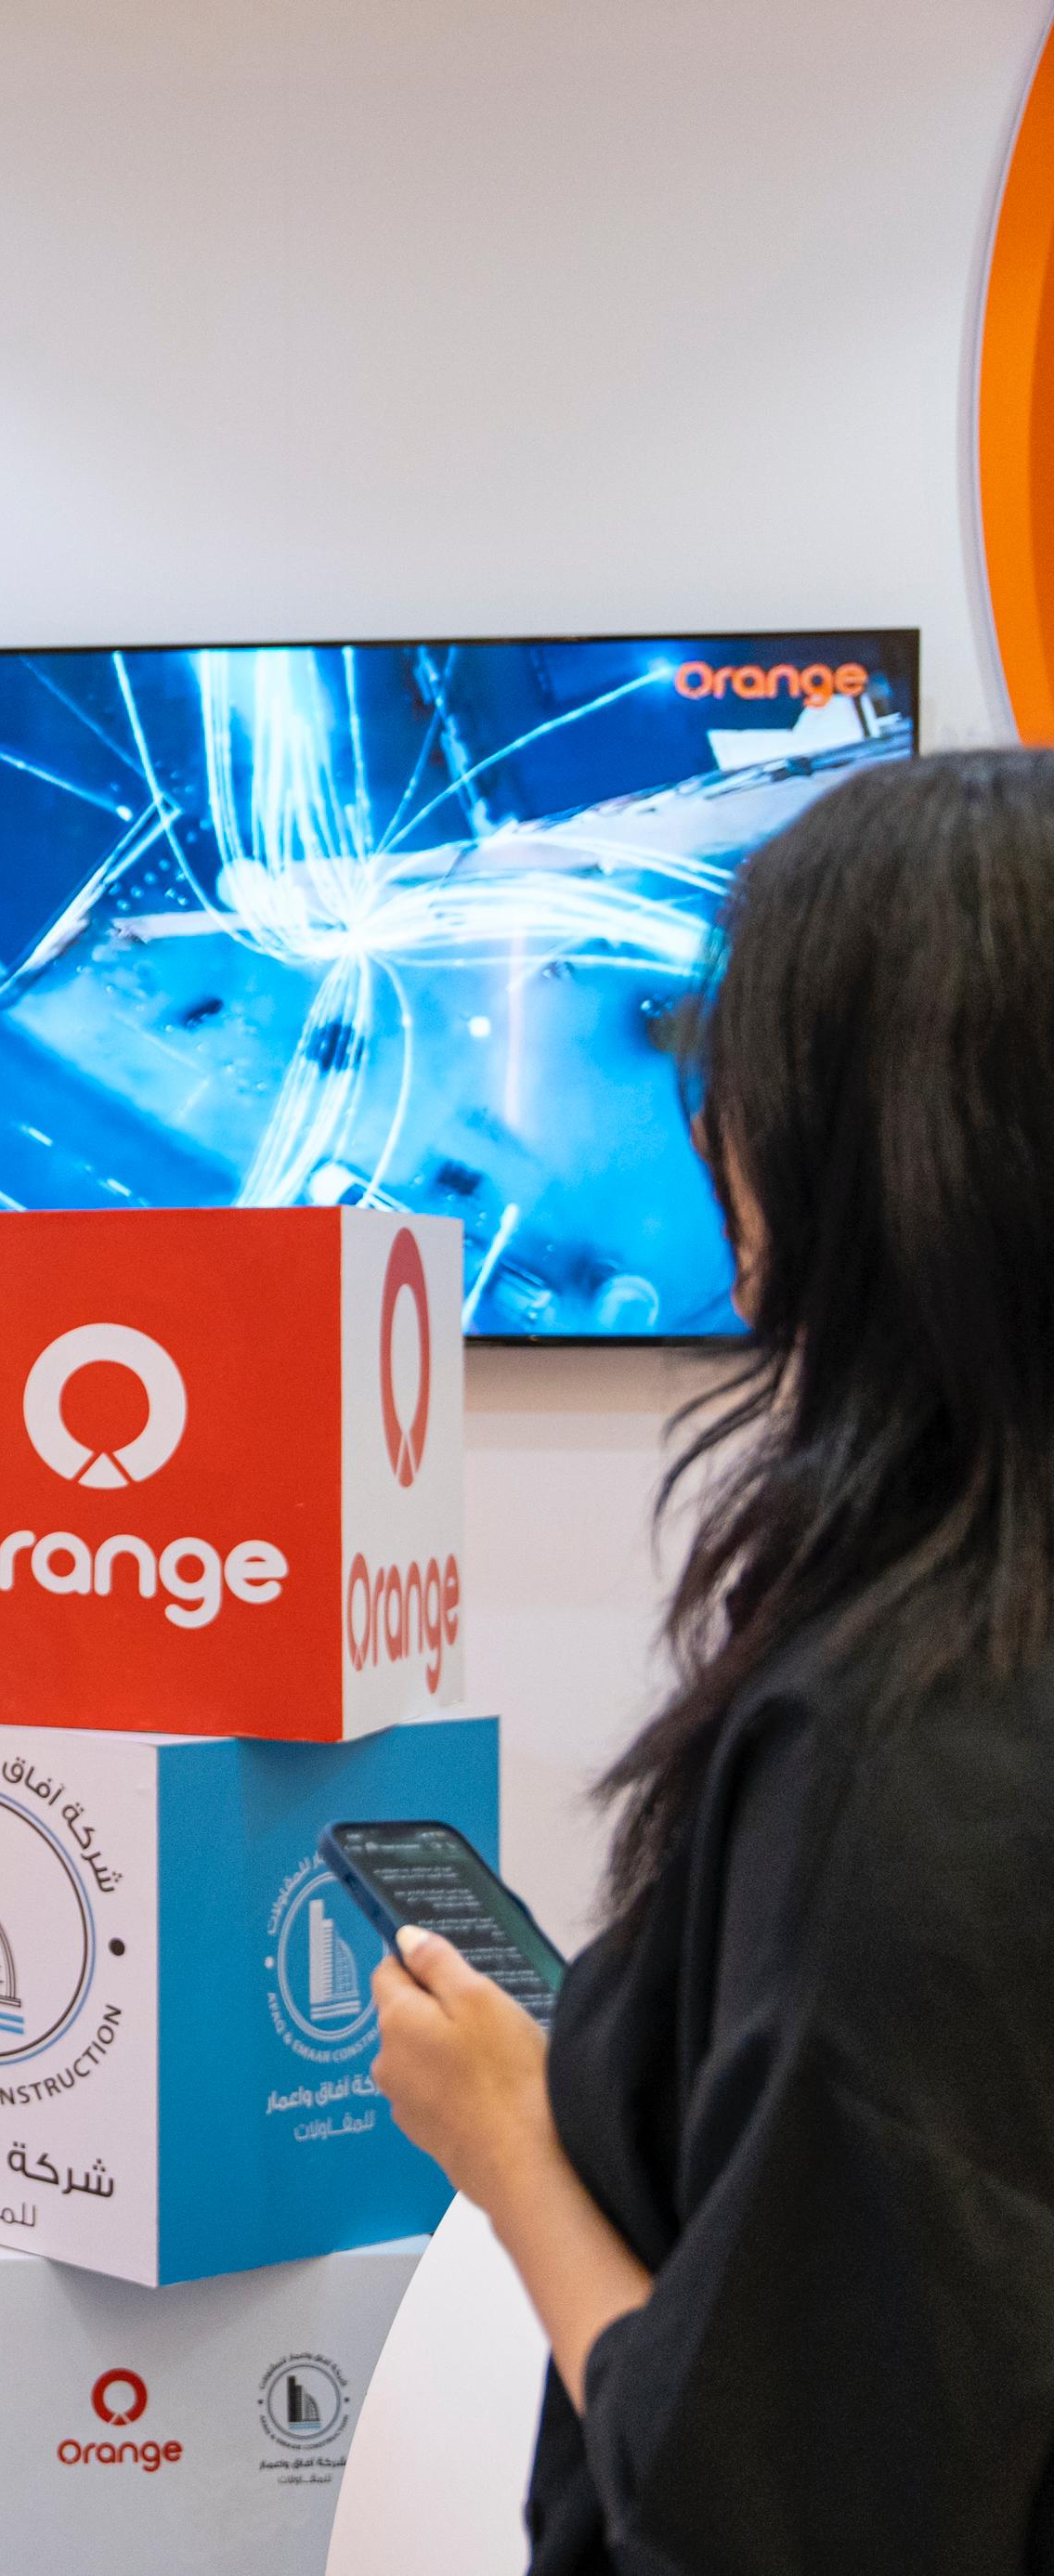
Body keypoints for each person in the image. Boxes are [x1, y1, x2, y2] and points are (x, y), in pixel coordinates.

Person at [372, 748, 1054, 2572]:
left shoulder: (905, 1744)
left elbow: (779, 2512)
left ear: (867, 1140)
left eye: (729, 1063)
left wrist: (508, 2137)